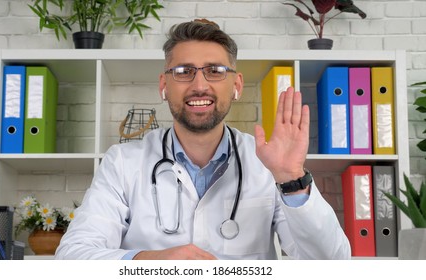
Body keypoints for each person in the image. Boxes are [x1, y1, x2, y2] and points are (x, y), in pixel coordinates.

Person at [55, 19, 351, 260]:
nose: (200, 85)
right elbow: (72, 256)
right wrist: (151, 261)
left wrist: (291, 180)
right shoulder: (122, 162)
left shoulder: (266, 164)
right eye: (183, 72)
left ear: (236, 85)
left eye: (215, 71)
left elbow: (332, 264)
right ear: (164, 85)